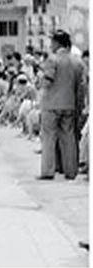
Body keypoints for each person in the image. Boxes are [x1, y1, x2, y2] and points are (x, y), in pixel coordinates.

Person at [38, 30, 86, 180]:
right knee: (68, 137)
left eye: (52, 41)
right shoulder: (77, 62)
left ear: (57, 43)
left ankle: (48, 171)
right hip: (69, 105)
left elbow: (47, 81)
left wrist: (40, 78)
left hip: (51, 105)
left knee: (49, 138)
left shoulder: (53, 60)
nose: (50, 44)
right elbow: (81, 87)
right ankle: (71, 171)